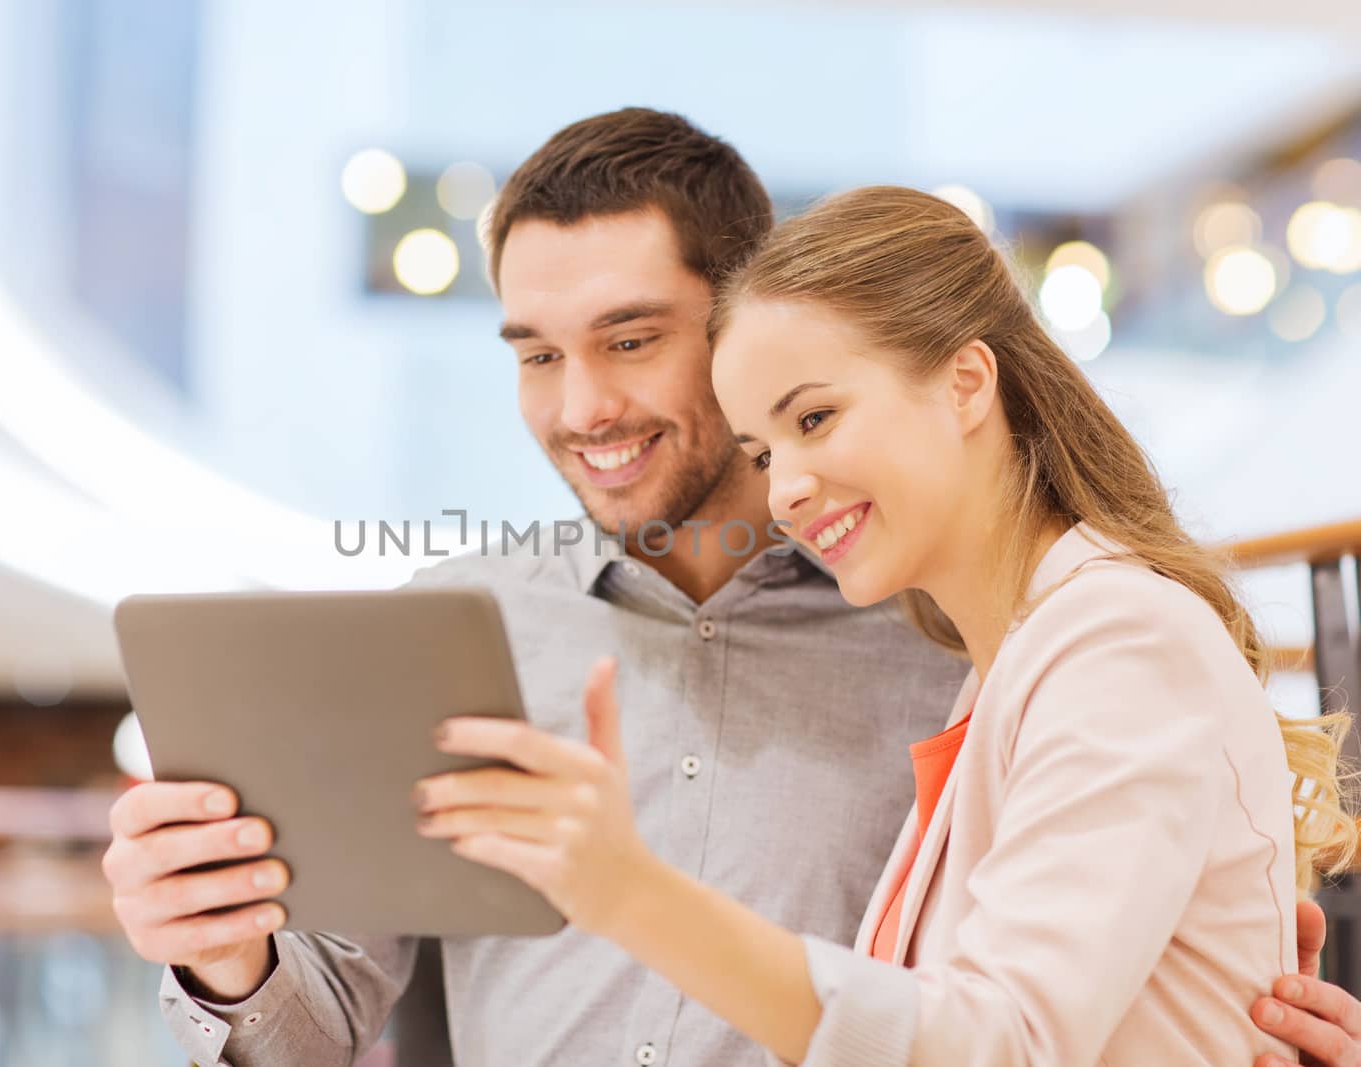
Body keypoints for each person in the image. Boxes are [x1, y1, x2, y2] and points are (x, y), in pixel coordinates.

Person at [100, 108, 1361, 1067]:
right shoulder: (455, 624)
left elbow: (1004, 1022)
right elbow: (316, 1022)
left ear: (747, 316)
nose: (582, 405)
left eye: (632, 339)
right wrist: (224, 952)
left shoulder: (961, 635)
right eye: (537, 353)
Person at [412, 184, 1357, 1065]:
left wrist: (629, 893)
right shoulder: (1008, 666)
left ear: (966, 382)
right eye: (762, 449)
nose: (784, 489)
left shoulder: (1116, 638)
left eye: (815, 419)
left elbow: (1001, 1039)